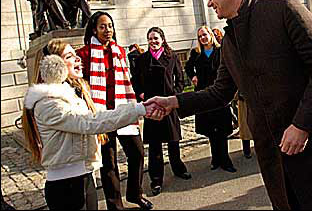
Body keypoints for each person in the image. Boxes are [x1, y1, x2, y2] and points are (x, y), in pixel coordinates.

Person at [146, 0, 312, 210]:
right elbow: (220, 92)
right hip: (276, 163)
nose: (208, 2)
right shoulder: (229, 40)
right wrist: (173, 102)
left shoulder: (283, 9)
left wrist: (302, 125)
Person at [21, 39, 158, 210]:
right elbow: (90, 122)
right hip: (66, 187)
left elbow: (96, 117)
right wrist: (139, 109)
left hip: (84, 177)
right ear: (53, 66)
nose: (78, 58)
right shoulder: (48, 103)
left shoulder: (72, 95)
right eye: (70, 56)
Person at [76, 12, 152, 210]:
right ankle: (115, 206)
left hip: (121, 110)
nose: (107, 30)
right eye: (102, 26)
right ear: (94, 29)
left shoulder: (119, 50)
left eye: (110, 26)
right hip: (101, 115)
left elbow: (126, 80)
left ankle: (135, 193)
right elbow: (79, 82)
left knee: (137, 153)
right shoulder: (84, 54)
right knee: (108, 163)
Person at [132, 27, 191, 196]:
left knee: (173, 141)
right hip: (152, 105)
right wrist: (141, 93)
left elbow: (180, 79)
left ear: (162, 39)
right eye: (150, 38)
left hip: (169, 104)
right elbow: (135, 80)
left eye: (156, 38)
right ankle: (156, 179)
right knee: (155, 146)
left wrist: (175, 97)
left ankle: (178, 169)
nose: (153, 41)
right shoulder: (142, 59)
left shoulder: (171, 57)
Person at [185, 26, 236, 172]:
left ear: (210, 35)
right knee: (211, 131)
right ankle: (215, 159)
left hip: (219, 94)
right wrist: (193, 76)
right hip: (204, 95)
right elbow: (188, 67)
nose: (203, 38)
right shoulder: (196, 53)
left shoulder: (220, 51)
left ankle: (225, 160)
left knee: (222, 129)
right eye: (200, 36)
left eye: (205, 34)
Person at [236, 91, 253, 158]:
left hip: (254, 101)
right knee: (245, 130)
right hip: (243, 102)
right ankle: (247, 151)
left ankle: (248, 151)